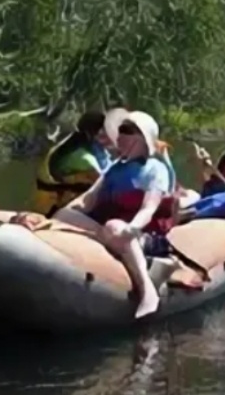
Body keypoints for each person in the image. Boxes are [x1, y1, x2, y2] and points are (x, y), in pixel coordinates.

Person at [56, 110, 175, 319]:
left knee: (114, 227)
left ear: (143, 137)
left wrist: (133, 228)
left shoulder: (155, 169)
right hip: (109, 228)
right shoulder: (114, 169)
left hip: (143, 234)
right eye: (120, 130)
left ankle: (148, 291)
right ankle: (107, 237)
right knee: (63, 215)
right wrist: (59, 217)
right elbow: (86, 201)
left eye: (127, 130)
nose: (119, 135)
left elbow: (149, 207)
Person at [33, 110, 113, 217]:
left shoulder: (86, 142)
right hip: (51, 209)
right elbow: (107, 182)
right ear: (93, 134)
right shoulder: (81, 156)